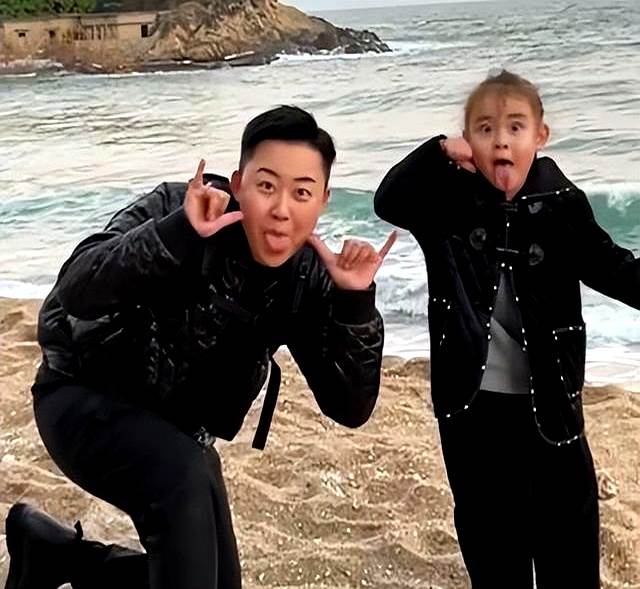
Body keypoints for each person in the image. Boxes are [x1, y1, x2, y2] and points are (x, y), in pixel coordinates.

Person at [5, 105, 395, 589]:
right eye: (266, 186)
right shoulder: (180, 207)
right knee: (184, 479)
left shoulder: (305, 277)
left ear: (323, 201)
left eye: (301, 193)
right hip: (82, 396)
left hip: (180, 436)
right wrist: (179, 234)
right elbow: (76, 289)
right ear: (239, 183)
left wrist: (355, 301)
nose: (281, 209)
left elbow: (350, 406)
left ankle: (55, 554)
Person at [374, 70, 640, 588]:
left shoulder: (562, 207)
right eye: (485, 128)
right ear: (467, 141)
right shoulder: (446, 204)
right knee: (492, 548)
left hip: (552, 408)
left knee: (569, 545)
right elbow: (389, 200)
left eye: (516, 127)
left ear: (540, 137)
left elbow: (617, 270)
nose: (501, 140)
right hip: (471, 409)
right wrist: (436, 152)